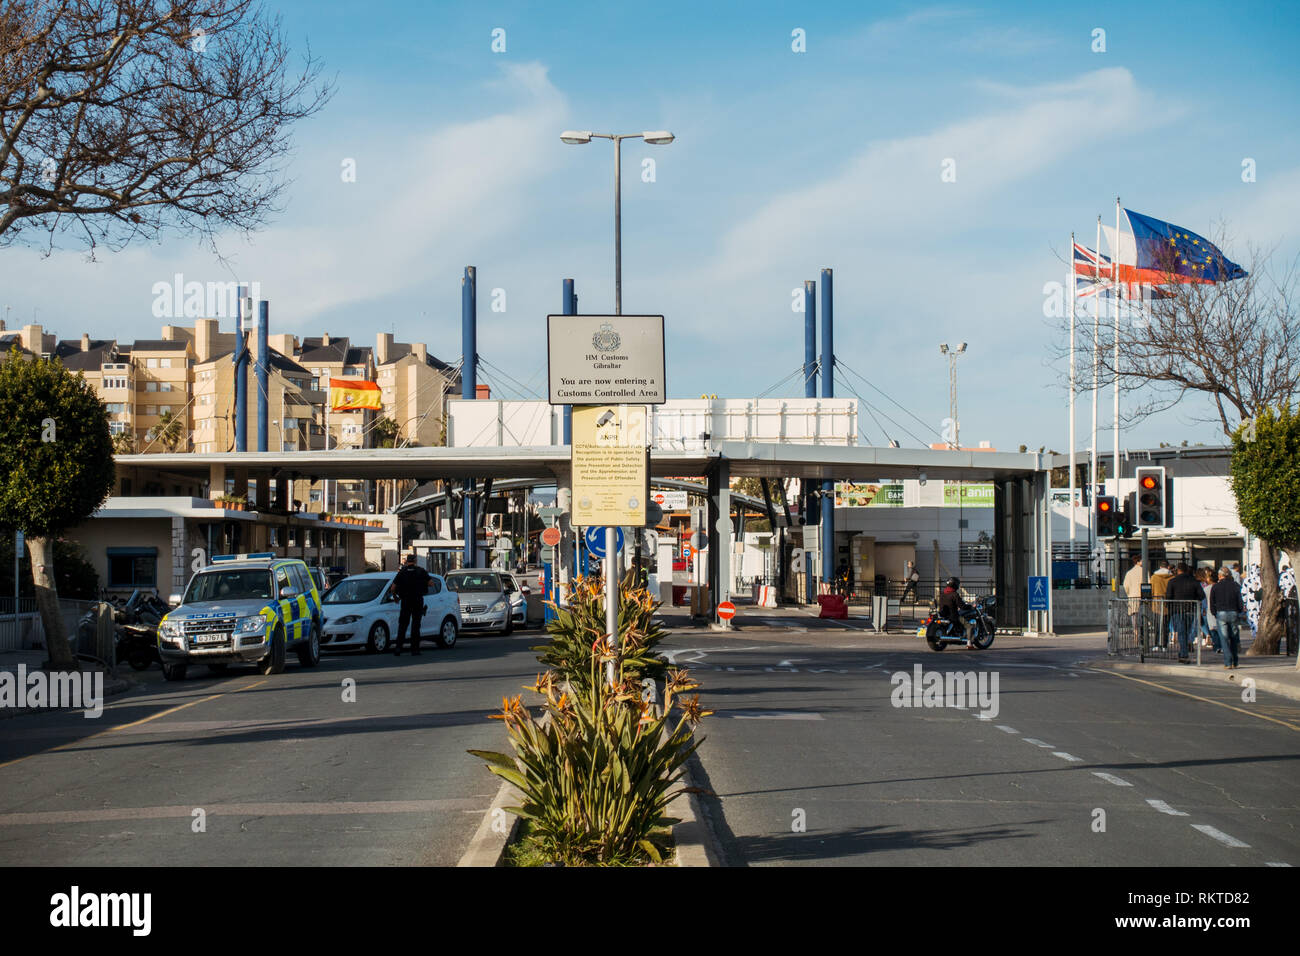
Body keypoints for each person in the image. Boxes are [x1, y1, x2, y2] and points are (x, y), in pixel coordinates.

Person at [388, 553, 431, 656]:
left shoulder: (402, 573)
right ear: (415, 561)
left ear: (407, 561)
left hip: (406, 601)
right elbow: (431, 583)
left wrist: (395, 598)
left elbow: (393, 588)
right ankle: (415, 649)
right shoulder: (421, 571)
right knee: (416, 626)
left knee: (402, 625)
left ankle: (398, 648)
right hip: (417, 601)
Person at [1210, 566, 1245, 669]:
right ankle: (1235, 661)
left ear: (1220, 576)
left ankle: (1228, 662)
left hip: (1221, 613)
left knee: (1224, 639)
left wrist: (1214, 613)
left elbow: (1212, 602)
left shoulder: (1215, 587)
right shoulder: (1235, 585)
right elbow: (1240, 600)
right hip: (1233, 612)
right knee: (1234, 637)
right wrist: (1239, 611)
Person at [1165, 563, 1201, 663]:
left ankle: (1184, 654)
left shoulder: (1172, 581)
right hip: (1190, 609)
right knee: (1186, 631)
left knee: (1181, 632)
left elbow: (1168, 596)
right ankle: (1183, 651)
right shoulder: (1194, 581)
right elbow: (1201, 595)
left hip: (1177, 610)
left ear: (1178, 570)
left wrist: (1169, 607)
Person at [938, 576, 975, 647]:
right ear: (955, 585)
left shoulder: (942, 593)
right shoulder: (954, 594)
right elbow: (962, 606)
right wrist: (971, 606)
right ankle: (969, 644)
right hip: (953, 616)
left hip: (944, 614)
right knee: (969, 626)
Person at [1150, 560, 1173, 648]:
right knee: (1166, 626)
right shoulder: (1171, 577)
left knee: (1156, 626)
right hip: (1168, 604)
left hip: (1156, 604)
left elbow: (1151, 591)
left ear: (1160, 567)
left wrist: (1150, 603)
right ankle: (1164, 645)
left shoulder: (1154, 577)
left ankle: (1156, 644)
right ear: (1168, 567)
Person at [1123, 555, 1145, 643]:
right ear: (1138, 561)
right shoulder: (1144, 571)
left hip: (1132, 596)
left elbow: (1126, 585)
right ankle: (1142, 634)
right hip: (1143, 596)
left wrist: (1129, 593)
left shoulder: (1129, 572)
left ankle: (1136, 634)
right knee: (1143, 616)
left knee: (1134, 617)